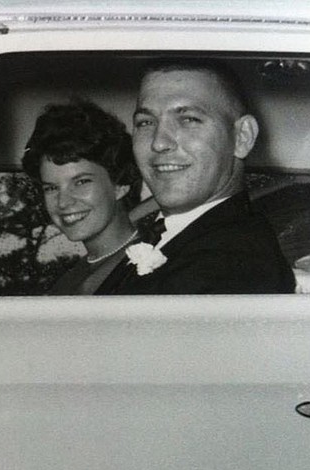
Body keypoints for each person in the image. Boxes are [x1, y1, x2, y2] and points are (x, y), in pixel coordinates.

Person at [96, 57, 295, 294]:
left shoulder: (231, 266)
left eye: (188, 119)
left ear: (242, 137)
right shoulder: (182, 235)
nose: (159, 143)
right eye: (146, 122)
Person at [22, 99, 143, 295]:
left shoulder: (152, 264)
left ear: (120, 185)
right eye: (51, 188)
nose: (63, 202)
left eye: (81, 182)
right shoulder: (70, 280)